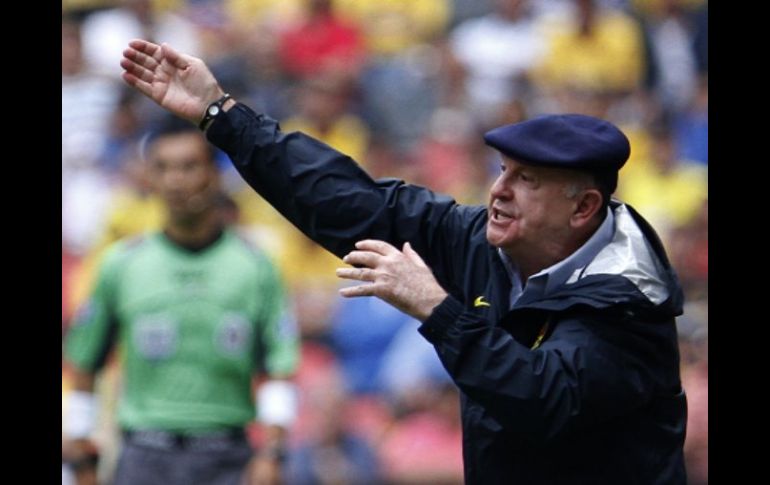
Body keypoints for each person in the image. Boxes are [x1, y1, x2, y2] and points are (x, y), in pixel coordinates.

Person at [120, 40, 687, 484]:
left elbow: (542, 399)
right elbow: (353, 202)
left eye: (528, 180)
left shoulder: (624, 299)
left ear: (583, 207)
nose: (499, 191)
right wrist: (222, 115)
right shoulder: (485, 240)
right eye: (503, 171)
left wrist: (436, 308)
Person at [62, 117, 300, 485]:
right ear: (149, 178)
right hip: (144, 456)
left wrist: (272, 453)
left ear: (214, 174)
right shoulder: (121, 264)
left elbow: (278, 367)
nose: (175, 180)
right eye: (163, 168)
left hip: (227, 457)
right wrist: (81, 457)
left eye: (189, 166)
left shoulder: (255, 266)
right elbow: (84, 362)